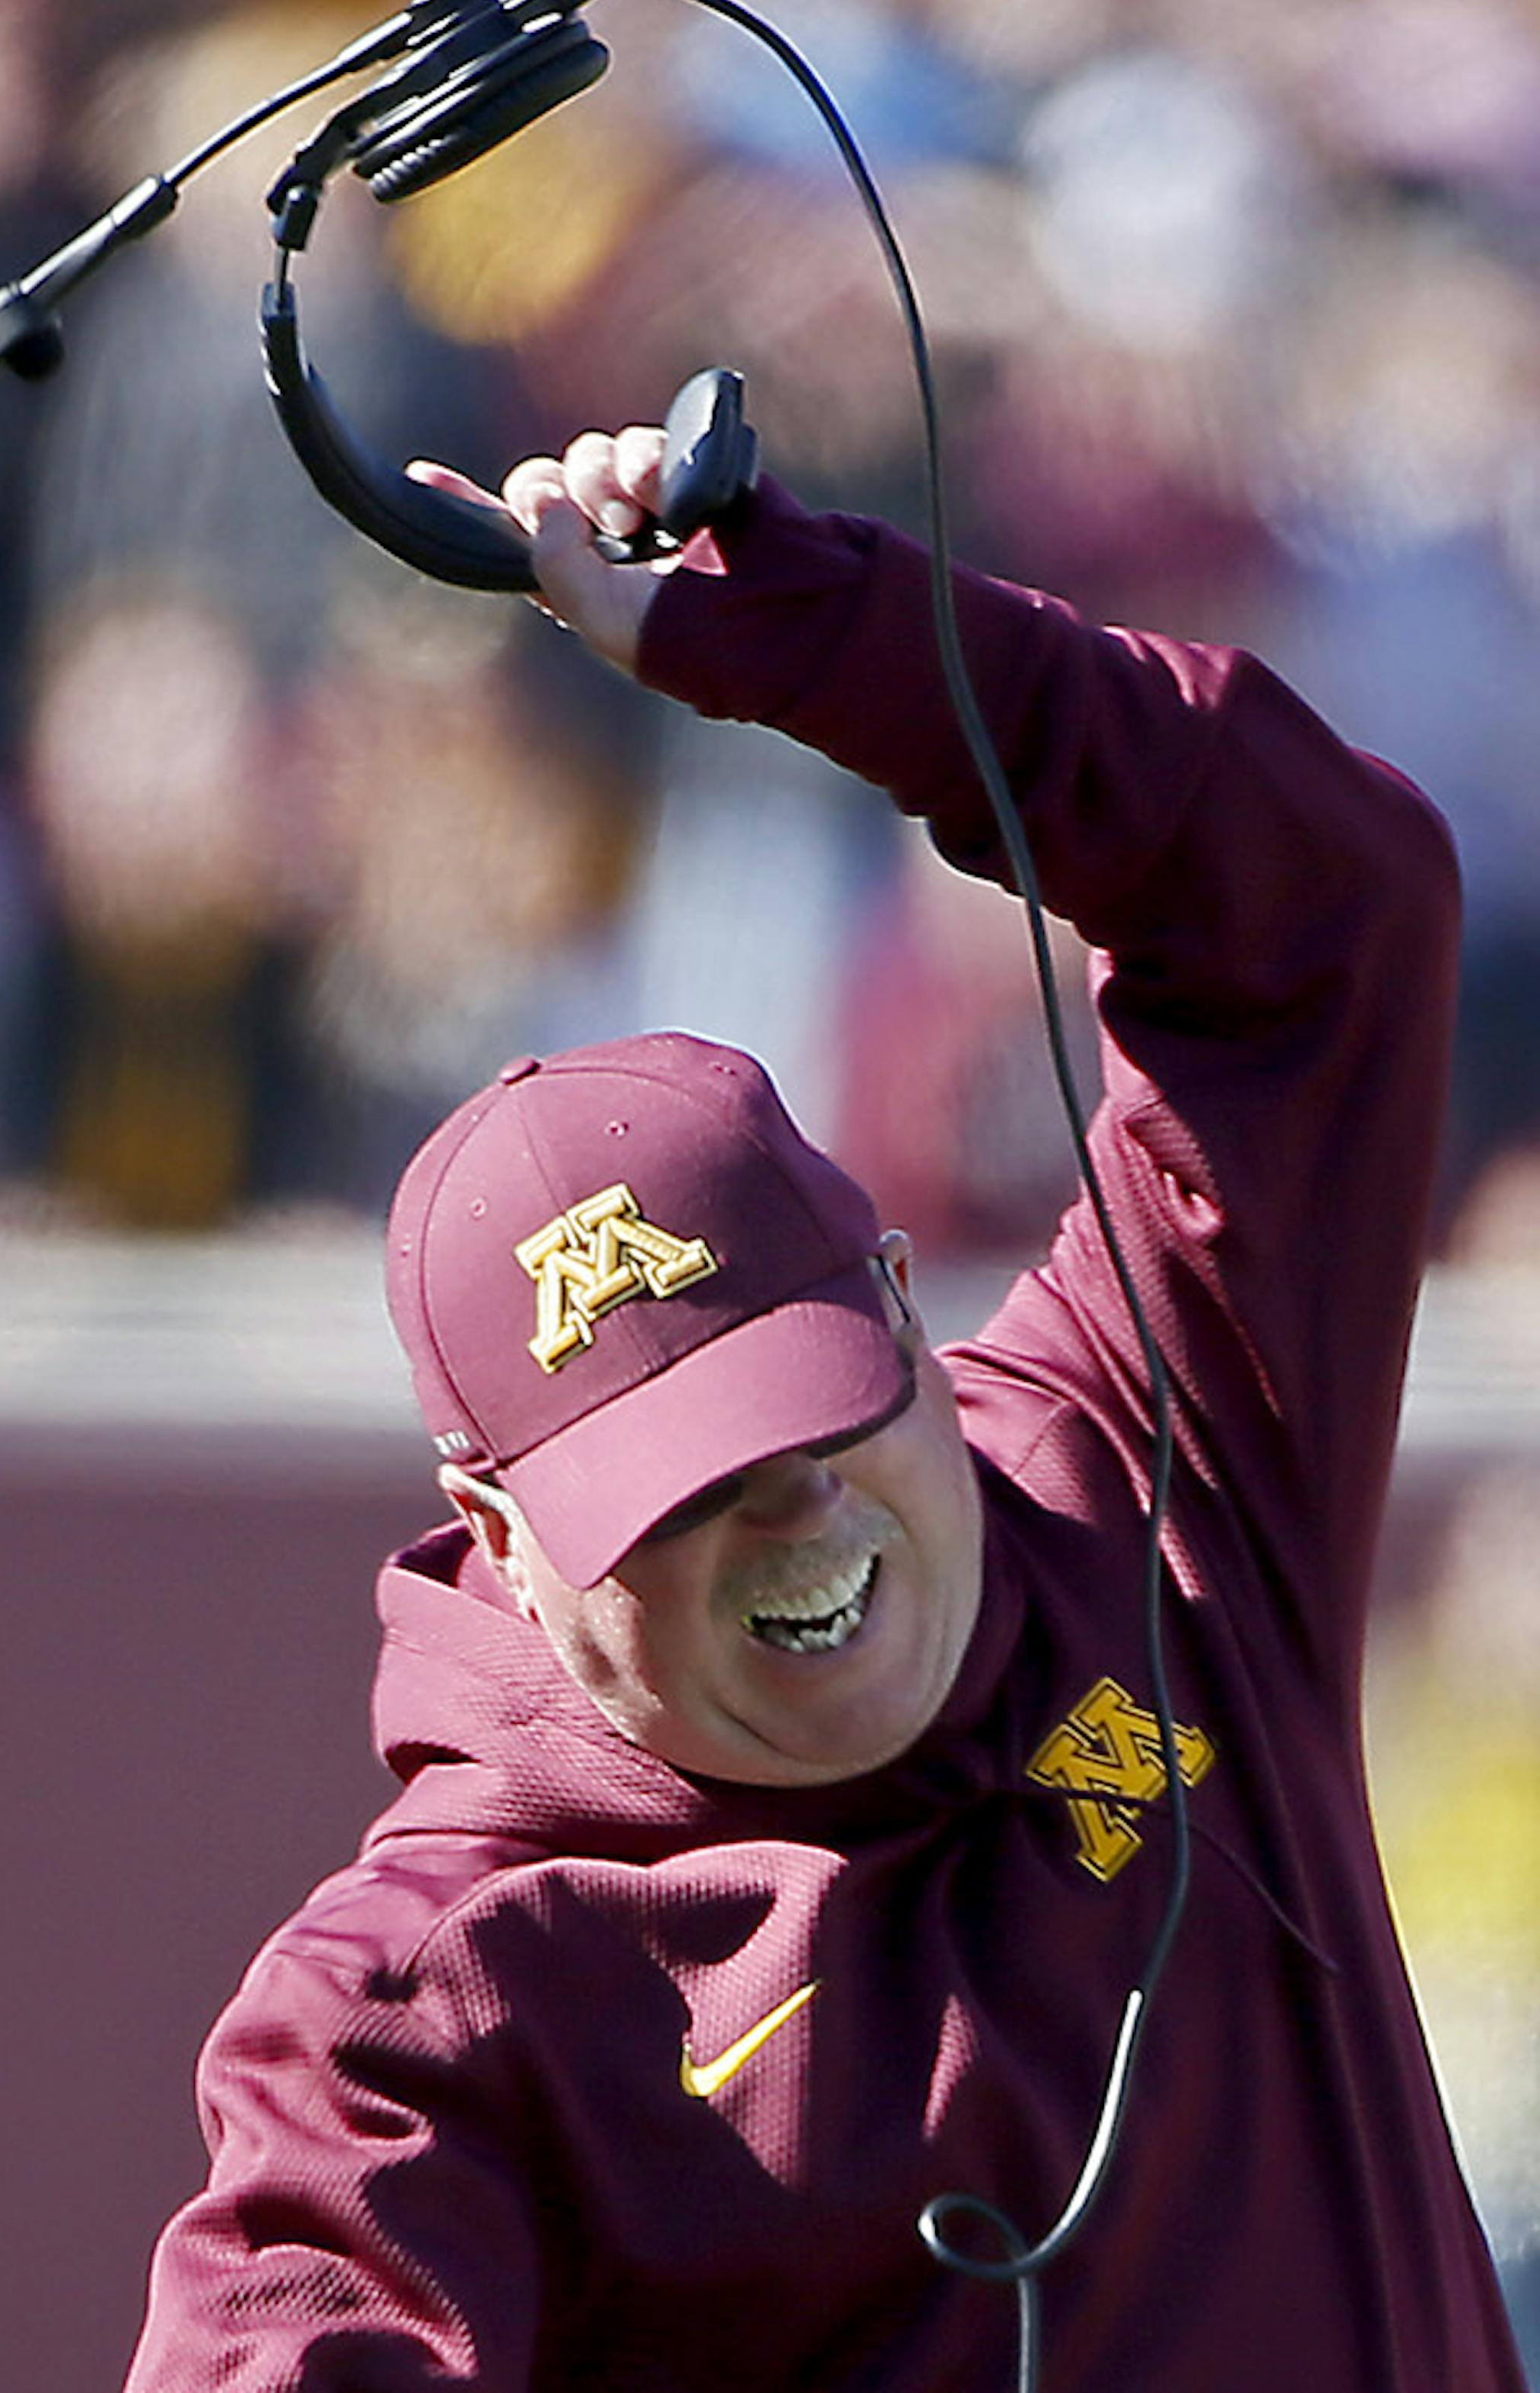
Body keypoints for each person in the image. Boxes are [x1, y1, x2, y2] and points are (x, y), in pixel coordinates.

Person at [122, 424, 1527, 2391]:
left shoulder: (1141, 1463)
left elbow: (1324, 903)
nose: (795, 1522)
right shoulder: (416, 2012)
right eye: (677, 1492)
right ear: (504, 1536)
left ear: (894, 1299)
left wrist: (808, 630)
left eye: (813, 1415)